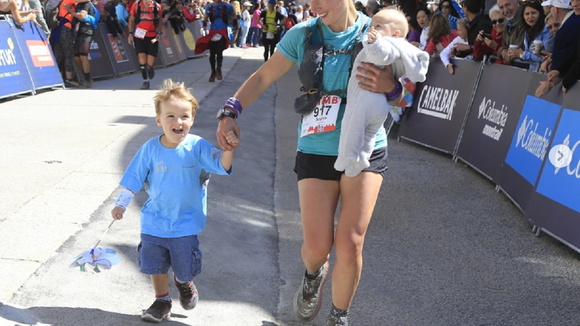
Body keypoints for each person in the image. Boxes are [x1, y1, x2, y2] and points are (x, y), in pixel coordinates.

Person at [215, 0, 402, 324]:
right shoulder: (302, 34)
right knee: (317, 248)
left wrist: (392, 87)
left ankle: (338, 316)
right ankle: (313, 274)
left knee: (351, 242)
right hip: (317, 145)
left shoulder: (379, 30)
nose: (315, 6)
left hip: (365, 147)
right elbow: (263, 77)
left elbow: (402, 91)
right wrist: (230, 111)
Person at [111, 78, 238, 323]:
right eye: (170, 116)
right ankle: (161, 301)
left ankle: (183, 281)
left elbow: (222, 166)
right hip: (154, 221)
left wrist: (229, 149)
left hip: (185, 224)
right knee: (154, 265)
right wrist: (121, 204)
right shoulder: (149, 148)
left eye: (184, 116)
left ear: (192, 119)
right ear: (158, 120)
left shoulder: (198, 146)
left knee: (184, 267)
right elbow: (134, 179)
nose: (177, 122)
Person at [335, 7, 429, 177]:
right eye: (372, 24)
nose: (372, 29)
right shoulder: (401, 47)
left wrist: (375, 43)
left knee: (352, 128)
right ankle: (362, 158)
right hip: (379, 106)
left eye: (378, 26)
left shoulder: (386, 43)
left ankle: (347, 156)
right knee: (368, 134)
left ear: (395, 33)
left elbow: (382, 56)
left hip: (365, 99)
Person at [128, 0, 162, 90]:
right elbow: (131, 19)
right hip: (139, 36)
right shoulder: (136, 5)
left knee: (150, 62)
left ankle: (150, 67)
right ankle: (145, 81)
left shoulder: (157, 6)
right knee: (142, 59)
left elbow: (159, 19)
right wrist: (130, 33)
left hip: (153, 37)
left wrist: (159, 32)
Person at [507, 0, 549, 70]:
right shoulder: (527, 31)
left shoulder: (547, 30)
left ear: (540, 13)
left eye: (533, 13)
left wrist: (522, 54)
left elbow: (544, 57)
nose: (530, 17)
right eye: (527, 14)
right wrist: (514, 55)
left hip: (544, 73)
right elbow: (528, 58)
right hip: (532, 73)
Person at [200, 0, 233, 81]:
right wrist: (204, 25)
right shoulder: (210, 6)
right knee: (212, 54)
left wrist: (234, 26)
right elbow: (205, 17)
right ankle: (213, 71)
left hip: (223, 31)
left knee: (219, 51)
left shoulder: (227, 6)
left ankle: (218, 68)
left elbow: (234, 16)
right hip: (213, 31)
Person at [72, 0, 100, 88]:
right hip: (80, 31)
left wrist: (70, 11)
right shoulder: (78, 5)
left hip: (87, 31)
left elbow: (82, 15)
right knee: (76, 57)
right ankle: (86, 76)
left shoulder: (86, 4)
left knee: (83, 56)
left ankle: (87, 80)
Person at [497, 0, 524, 64]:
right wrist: (503, 51)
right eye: (501, 7)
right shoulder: (508, 22)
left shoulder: (525, 20)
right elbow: (504, 46)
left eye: (507, 5)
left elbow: (520, 47)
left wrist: (507, 53)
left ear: (517, 2)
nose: (505, 10)